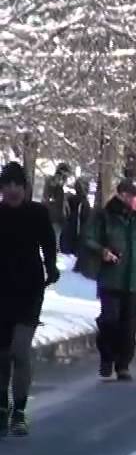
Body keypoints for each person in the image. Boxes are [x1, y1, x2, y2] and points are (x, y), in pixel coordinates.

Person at [81, 178, 136, 382]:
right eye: (135, 196)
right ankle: (107, 358)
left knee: (129, 324)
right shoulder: (104, 216)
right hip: (111, 278)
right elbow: (88, 238)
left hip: (135, 279)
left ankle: (123, 364)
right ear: (123, 196)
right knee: (109, 321)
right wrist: (102, 252)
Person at [0, 162, 58, 436]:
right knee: (1, 355)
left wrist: (52, 267)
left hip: (29, 291)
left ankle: (20, 410)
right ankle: (2, 406)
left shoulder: (37, 214)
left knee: (19, 351)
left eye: (17, 185)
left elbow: (48, 243)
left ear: (25, 188)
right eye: (7, 185)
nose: (12, 190)